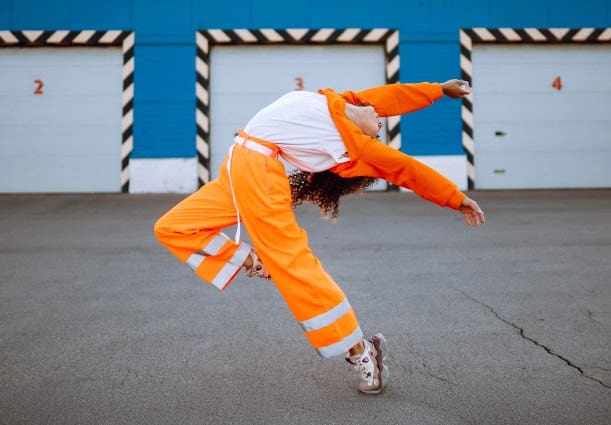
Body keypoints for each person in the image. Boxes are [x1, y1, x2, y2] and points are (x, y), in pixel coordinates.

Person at [154, 79, 485, 395]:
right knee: (173, 226)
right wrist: (438, 90)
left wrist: (455, 198)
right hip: (237, 163)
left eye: (379, 131)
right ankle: (253, 261)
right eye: (379, 120)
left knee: (295, 268)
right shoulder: (339, 102)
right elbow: (390, 97)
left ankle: (362, 351)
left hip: (259, 173)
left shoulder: (354, 144)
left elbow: (406, 169)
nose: (381, 123)